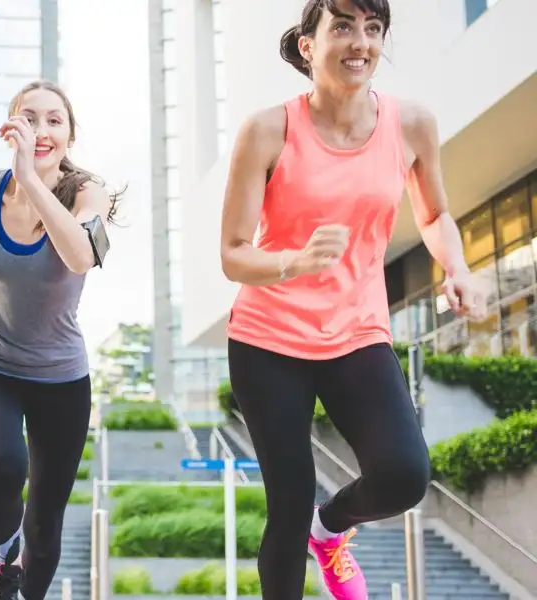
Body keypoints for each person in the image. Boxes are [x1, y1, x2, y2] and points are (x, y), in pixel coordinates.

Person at [219, 1, 486, 598]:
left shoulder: (411, 123)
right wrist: (294, 260)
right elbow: (234, 252)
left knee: (403, 475)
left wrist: (458, 265)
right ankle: (305, 531)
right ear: (308, 45)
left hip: (357, 331)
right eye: (342, 26)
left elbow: (436, 211)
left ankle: (331, 529)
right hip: (268, 340)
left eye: (372, 28)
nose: (360, 41)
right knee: (286, 506)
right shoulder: (267, 130)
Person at [0, 79, 121, 600]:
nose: (41, 129)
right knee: (4, 464)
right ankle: (5, 566)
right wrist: (18, 178)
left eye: (54, 120)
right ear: (10, 127)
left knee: (46, 522)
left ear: (70, 137)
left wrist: (32, 181)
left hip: (60, 378)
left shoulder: (88, 192)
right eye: (29, 118)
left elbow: (79, 257)